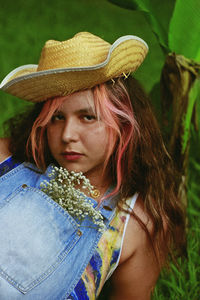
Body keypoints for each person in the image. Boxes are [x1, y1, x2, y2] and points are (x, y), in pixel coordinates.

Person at [0, 32, 186, 300]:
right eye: (56, 118)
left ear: (125, 124)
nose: (67, 135)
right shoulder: (7, 158)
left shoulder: (135, 223)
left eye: (87, 117)